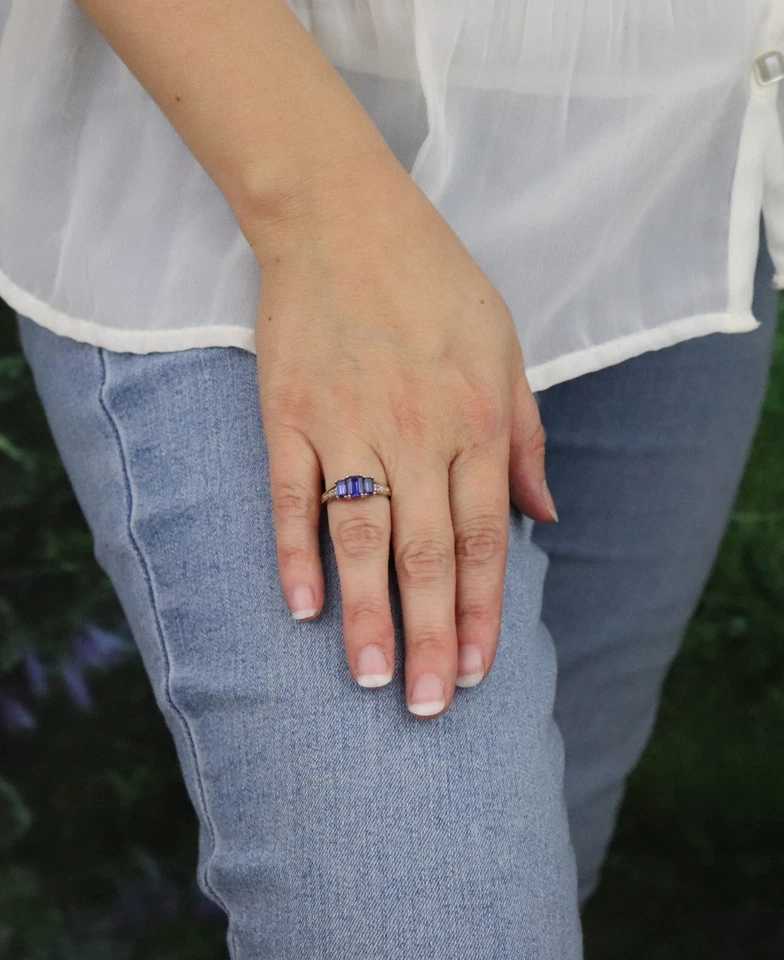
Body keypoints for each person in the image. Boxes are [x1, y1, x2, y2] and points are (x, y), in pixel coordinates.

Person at [1, 1, 782, 956]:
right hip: (249, 142)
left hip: (680, 148)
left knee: (551, 855)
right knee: (436, 919)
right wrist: (319, 211)